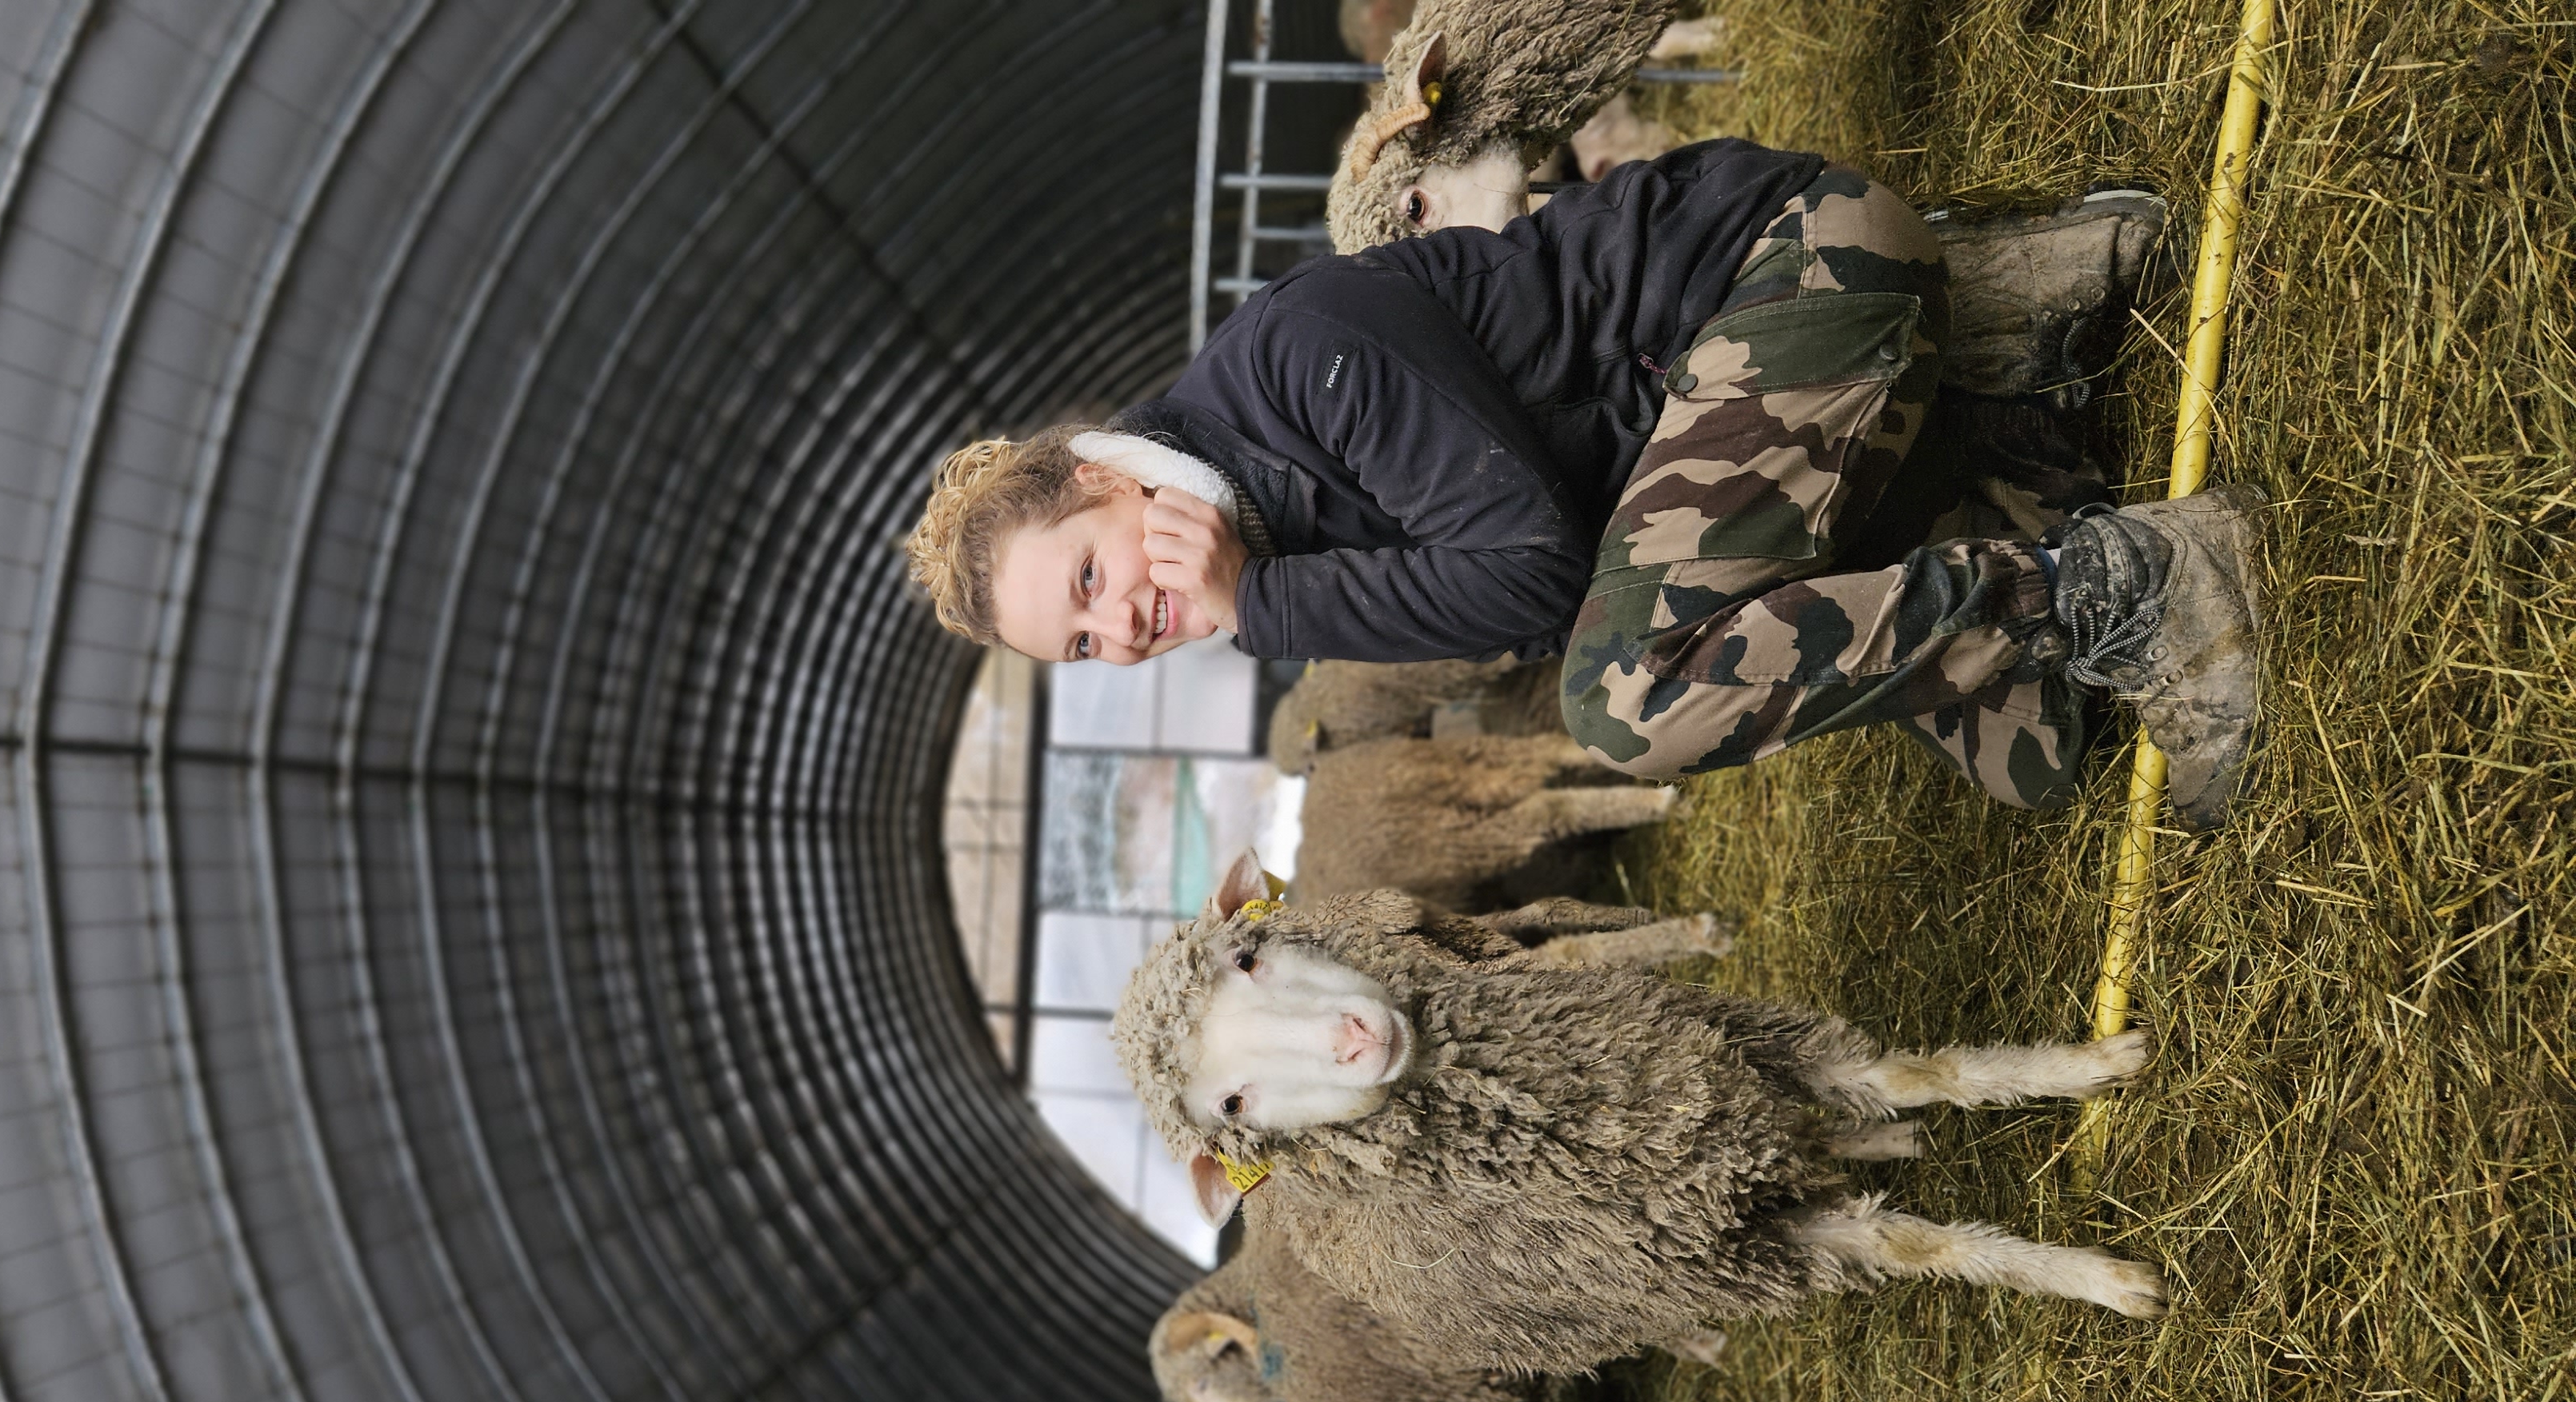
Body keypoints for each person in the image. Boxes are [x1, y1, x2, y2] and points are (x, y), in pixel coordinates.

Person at [904, 139, 2266, 829]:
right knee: (2036, 754)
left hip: (1781, 268)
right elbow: (1554, 575)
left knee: (1626, 700)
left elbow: (1542, 579)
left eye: (1086, 579)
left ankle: (2136, 579)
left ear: (1098, 475)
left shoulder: (1296, 367)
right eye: (1082, 645)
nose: (1121, 629)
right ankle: (2005, 388)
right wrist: (1266, 593)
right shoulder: (1264, 534)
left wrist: (1262, 605)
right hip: (1706, 423)